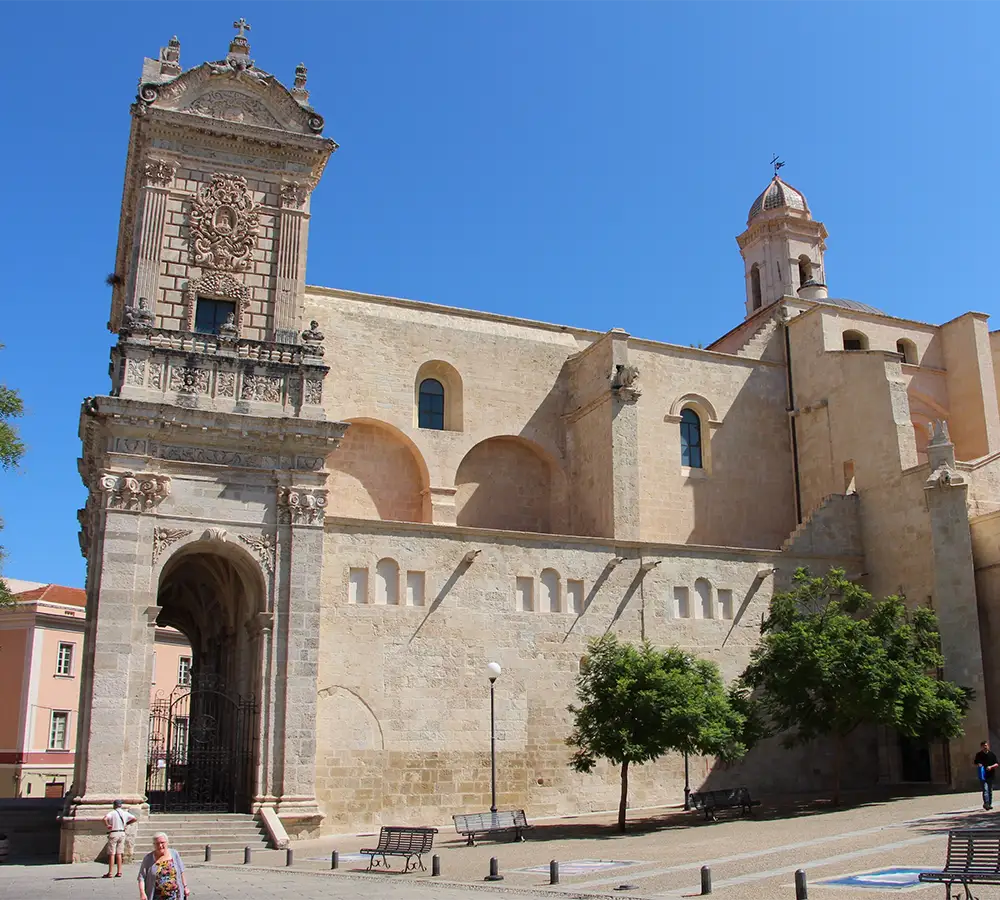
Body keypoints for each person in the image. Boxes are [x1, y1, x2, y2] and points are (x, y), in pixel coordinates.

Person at [137, 833, 190, 900]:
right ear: (154, 845)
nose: (160, 845)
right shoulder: (148, 858)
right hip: (157, 897)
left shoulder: (174, 854)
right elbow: (141, 877)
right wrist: (142, 893)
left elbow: (181, 871)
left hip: (175, 896)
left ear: (167, 842)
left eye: (162, 842)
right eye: (157, 843)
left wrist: (185, 887)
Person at [103, 799, 137, 878]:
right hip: (122, 833)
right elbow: (134, 819)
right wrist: (126, 823)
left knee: (112, 853)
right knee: (119, 853)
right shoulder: (125, 813)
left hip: (114, 832)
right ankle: (119, 872)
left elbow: (104, 819)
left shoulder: (112, 813)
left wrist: (108, 825)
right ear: (121, 805)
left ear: (114, 805)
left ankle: (110, 872)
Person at [974, 740, 999, 810]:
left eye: (986, 745)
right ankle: (986, 803)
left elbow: (996, 764)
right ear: (981, 747)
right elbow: (975, 763)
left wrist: (991, 767)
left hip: (990, 775)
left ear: (988, 746)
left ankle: (989, 804)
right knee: (985, 789)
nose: (985, 747)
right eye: (983, 746)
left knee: (990, 790)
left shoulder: (992, 754)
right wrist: (979, 764)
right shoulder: (979, 755)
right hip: (983, 775)